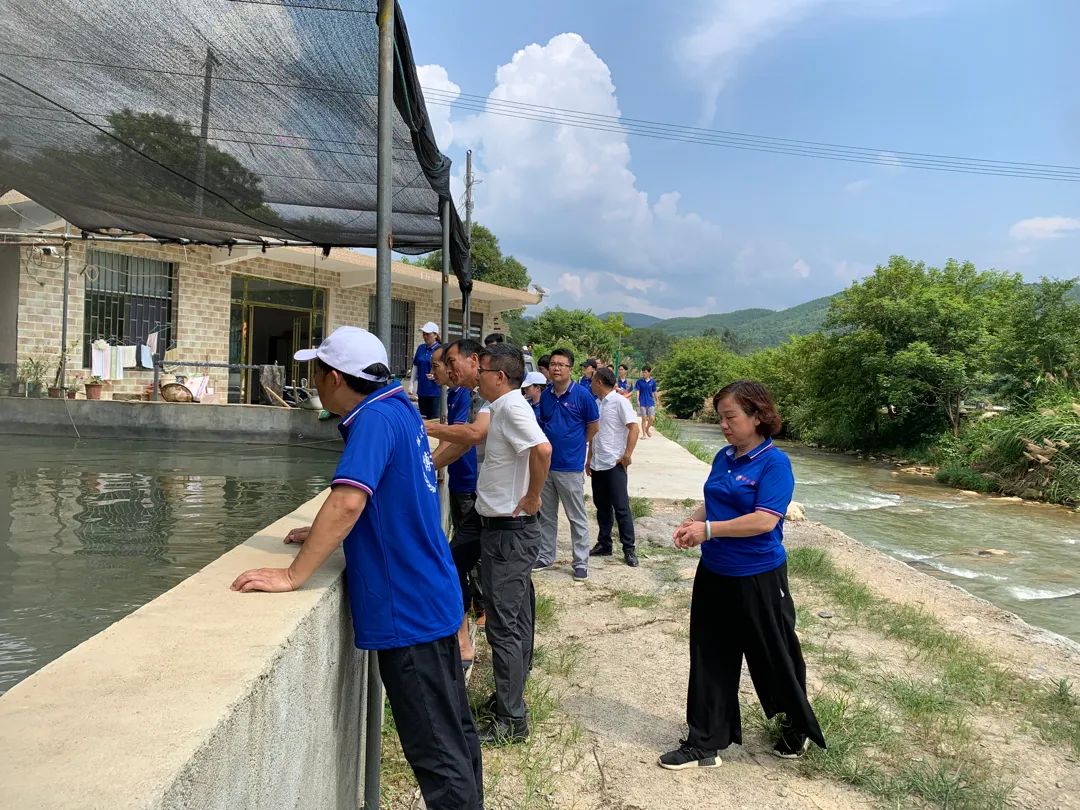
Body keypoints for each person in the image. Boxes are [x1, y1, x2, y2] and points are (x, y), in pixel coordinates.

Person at [230, 326, 482, 809]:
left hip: (407, 611)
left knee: (437, 756)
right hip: (433, 596)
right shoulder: (399, 407)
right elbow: (382, 496)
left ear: (334, 378)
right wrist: (324, 532)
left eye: (317, 372)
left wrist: (293, 575)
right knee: (455, 734)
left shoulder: (372, 420)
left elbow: (348, 501)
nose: (315, 382)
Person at [659, 380, 825, 771]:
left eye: (730, 417)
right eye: (720, 418)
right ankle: (705, 742)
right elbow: (714, 498)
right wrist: (692, 521)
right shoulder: (724, 456)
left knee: (773, 655)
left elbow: (764, 520)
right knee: (710, 655)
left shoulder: (774, 463)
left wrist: (709, 530)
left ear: (757, 416)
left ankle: (794, 728)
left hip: (759, 576)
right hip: (715, 572)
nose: (724, 425)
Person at [474, 343, 551, 743]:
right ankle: (510, 698)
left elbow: (543, 449)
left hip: (510, 532)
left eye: (482, 371)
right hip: (505, 531)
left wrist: (533, 496)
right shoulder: (505, 407)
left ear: (499, 376)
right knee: (515, 620)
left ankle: (511, 720)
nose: (477, 378)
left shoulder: (511, 407)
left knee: (503, 627)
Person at [429, 345, 482, 667]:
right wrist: (429, 466)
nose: (444, 371)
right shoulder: (469, 395)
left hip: (481, 494)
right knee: (455, 560)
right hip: (481, 496)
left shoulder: (489, 400)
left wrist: (427, 430)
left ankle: (473, 627)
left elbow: (467, 437)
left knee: (459, 561)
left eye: (448, 363)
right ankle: (463, 639)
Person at [535, 348, 600, 580]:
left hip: (570, 466)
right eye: (553, 364)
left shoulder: (583, 395)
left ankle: (581, 562)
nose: (556, 368)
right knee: (547, 515)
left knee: (576, 516)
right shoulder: (546, 395)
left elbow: (593, 426)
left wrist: (578, 443)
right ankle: (546, 556)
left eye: (561, 365)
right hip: (546, 466)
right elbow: (543, 424)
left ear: (570, 369)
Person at [586, 367, 640, 567]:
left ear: (599, 382)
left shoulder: (619, 402)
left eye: (593, 381)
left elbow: (634, 428)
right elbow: (595, 433)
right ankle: (604, 543)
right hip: (598, 462)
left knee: (621, 507)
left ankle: (629, 548)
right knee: (601, 506)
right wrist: (589, 458)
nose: (591, 384)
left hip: (614, 463)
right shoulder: (597, 404)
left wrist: (627, 454)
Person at [410, 321, 442, 419]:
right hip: (422, 390)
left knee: (434, 419)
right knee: (423, 418)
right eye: (424, 334)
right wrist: (411, 383)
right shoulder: (421, 348)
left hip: (436, 392)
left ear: (435, 335)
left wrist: (436, 376)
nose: (425, 336)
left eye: (428, 334)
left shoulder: (440, 349)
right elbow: (415, 366)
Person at [633, 366, 658, 438]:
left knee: (652, 418)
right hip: (642, 402)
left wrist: (657, 400)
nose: (644, 373)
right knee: (644, 418)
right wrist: (637, 400)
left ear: (649, 373)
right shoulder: (639, 381)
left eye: (645, 372)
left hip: (650, 401)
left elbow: (654, 391)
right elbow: (638, 391)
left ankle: (647, 429)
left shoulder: (652, 382)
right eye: (643, 372)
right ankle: (644, 434)